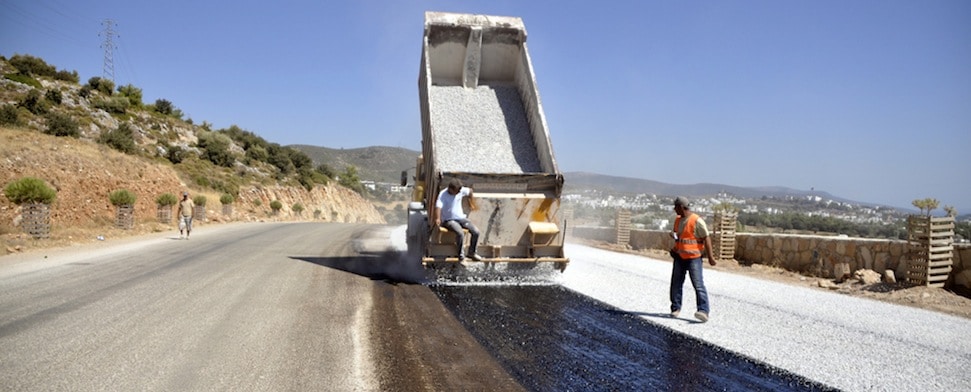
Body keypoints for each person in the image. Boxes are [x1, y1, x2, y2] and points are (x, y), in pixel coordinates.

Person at [669, 196, 717, 322]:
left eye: (676, 207)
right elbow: (679, 237)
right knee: (676, 283)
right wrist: (674, 249)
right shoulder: (678, 221)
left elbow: (706, 238)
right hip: (679, 256)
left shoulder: (697, 221)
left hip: (694, 258)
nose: (674, 209)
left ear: (681, 207)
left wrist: (710, 257)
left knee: (698, 284)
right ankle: (675, 308)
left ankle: (703, 310)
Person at [432, 178, 482, 261]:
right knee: (460, 233)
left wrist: (471, 201)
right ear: (450, 189)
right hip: (449, 220)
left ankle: (472, 253)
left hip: (461, 218)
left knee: (476, 232)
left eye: (459, 190)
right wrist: (437, 218)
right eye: (457, 191)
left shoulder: (460, 190)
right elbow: (438, 207)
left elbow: (470, 191)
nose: (459, 192)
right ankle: (460, 254)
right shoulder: (443, 195)